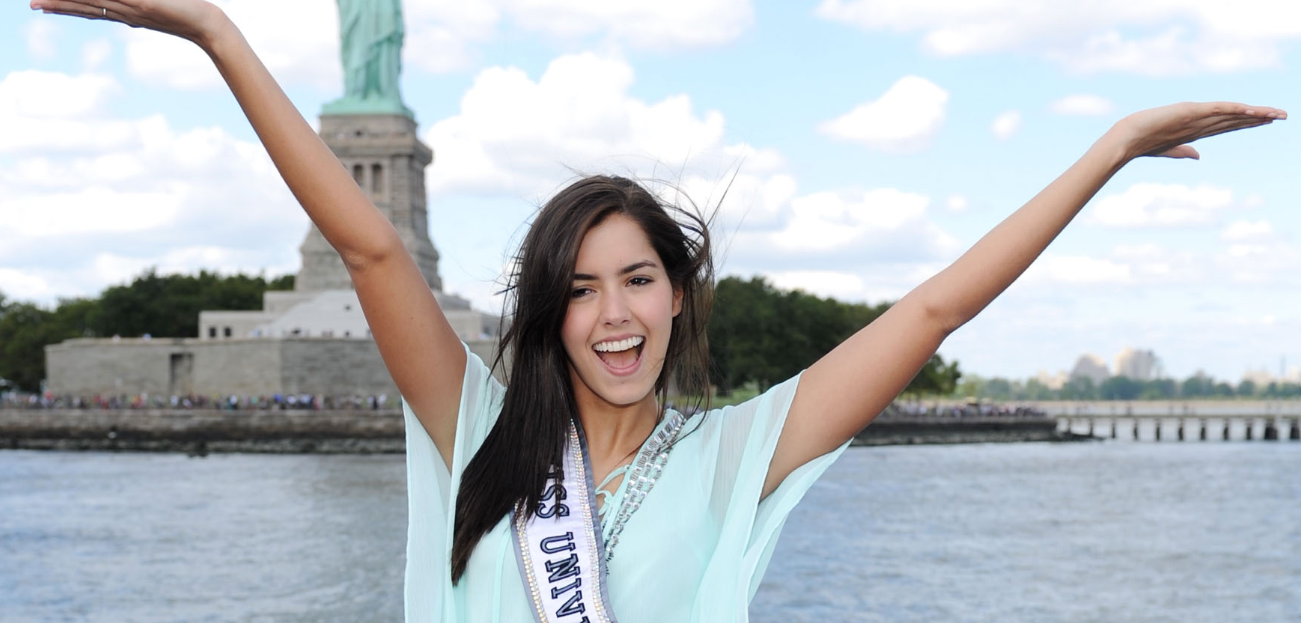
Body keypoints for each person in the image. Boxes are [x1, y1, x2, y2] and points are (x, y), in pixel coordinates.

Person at [29, 1, 1285, 622]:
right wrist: (215, 33)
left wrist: (1107, 146)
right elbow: (365, 249)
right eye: (578, 289)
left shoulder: (739, 451)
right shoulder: (470, 422)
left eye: (635, 278)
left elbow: (928, 312)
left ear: (676, 298)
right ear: (545, 317)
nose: (611, 313)